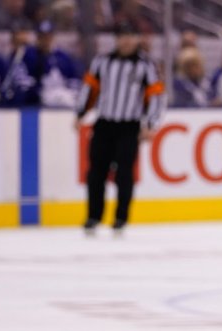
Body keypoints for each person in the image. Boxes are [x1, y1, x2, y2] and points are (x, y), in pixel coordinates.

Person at [75, 22, 165, 235]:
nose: (126, 41)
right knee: (96, 173)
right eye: (122, 36)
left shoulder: (146, 66)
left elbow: (156, 96)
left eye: (130, 36)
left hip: (129, 126)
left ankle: (120, 218)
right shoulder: (101, 62)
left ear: (137, 39)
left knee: (124, 174)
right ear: (116, 39)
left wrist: (151, 124)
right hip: (104, 123)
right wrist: (80, 113)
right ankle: (93, 216)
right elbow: (90, 89)